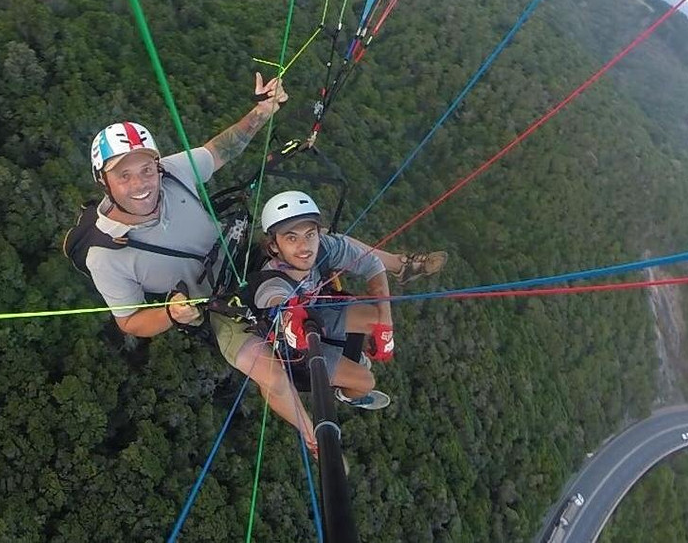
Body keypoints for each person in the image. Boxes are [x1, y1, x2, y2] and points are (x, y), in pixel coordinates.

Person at [77, 73, 321, 449]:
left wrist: (263, 110)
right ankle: (315, 438)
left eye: (146, 169)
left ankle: (399, 268)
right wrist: (171, 315)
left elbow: (220, 149)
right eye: (123, 175)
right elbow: (128, 322)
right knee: (268, 371)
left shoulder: (171, 173)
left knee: (321, 240)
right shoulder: (106, 254)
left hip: (241, 249)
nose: (141, 183)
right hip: (217, 302)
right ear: (103, 182)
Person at [252, 190, 449, 410]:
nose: (304, 246)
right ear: (273, 246)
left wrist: (386, 325)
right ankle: (347, 395)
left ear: (319, 233)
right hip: (295, 348)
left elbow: (372, 264)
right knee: (365, 382)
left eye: (310, 234)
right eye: (291, 237)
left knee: (375, 318)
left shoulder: (325, 248)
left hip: (318, 313)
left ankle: (352, 348)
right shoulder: (271, 281)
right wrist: (291, 315)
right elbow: (272, 297)